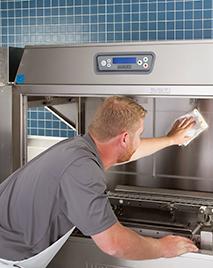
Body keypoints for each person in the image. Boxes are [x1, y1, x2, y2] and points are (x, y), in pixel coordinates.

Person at [0, 96, 198, 263]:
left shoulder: (79, 147)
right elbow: (113, 244)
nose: (140, 139)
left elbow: (127, 151)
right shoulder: (83, 170)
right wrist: (163, 248)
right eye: (140, 134)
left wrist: (171, 139)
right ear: (124, 138)